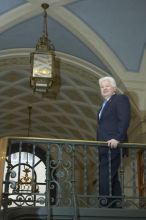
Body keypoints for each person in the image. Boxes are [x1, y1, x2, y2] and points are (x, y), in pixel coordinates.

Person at [96, 76, 131, 208]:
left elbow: (125, 119)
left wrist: (117, 137)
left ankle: (104, 205)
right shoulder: (104, 105)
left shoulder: (120, 99)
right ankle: (116, 204)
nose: (104, 89)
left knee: (105, 175)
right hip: (104, 146)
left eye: (107, 86)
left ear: (114, 88)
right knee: (113, 176)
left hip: (113, 144)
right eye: (102, 87)